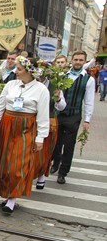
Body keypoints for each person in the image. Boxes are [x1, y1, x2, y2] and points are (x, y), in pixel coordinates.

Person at [0, 56, 50, 213]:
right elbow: (0, 107)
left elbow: (43, 115)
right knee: (5, 161)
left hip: (25, 127)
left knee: (19, 163)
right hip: (7, 125)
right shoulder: (10, 84)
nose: (16, 71)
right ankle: (6, 193)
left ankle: (12, 198)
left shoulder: (41, 89)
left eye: (20, 69)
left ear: (29, 71)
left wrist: (40, 137)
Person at [50, 51, 94, 184]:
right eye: (76, 59)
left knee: (69, 145)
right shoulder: (63, 76)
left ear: (85, 62)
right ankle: (56, 160)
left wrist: (87, 120)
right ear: (71, 60)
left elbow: (89, 101)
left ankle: (63, 172)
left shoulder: (88, 79)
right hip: (60, 114)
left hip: (74, 116)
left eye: (81, 60)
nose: (78, 62)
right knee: (56, 142)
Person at [34, 55, 68, 189]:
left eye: (43, 71)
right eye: (38, 70)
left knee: (45, 151)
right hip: (31, 121)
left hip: (48, 121)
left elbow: (62, 106)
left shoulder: (54, 84)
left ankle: (42, 175)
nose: (40, 74)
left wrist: (58, 99)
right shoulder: (31, 84)